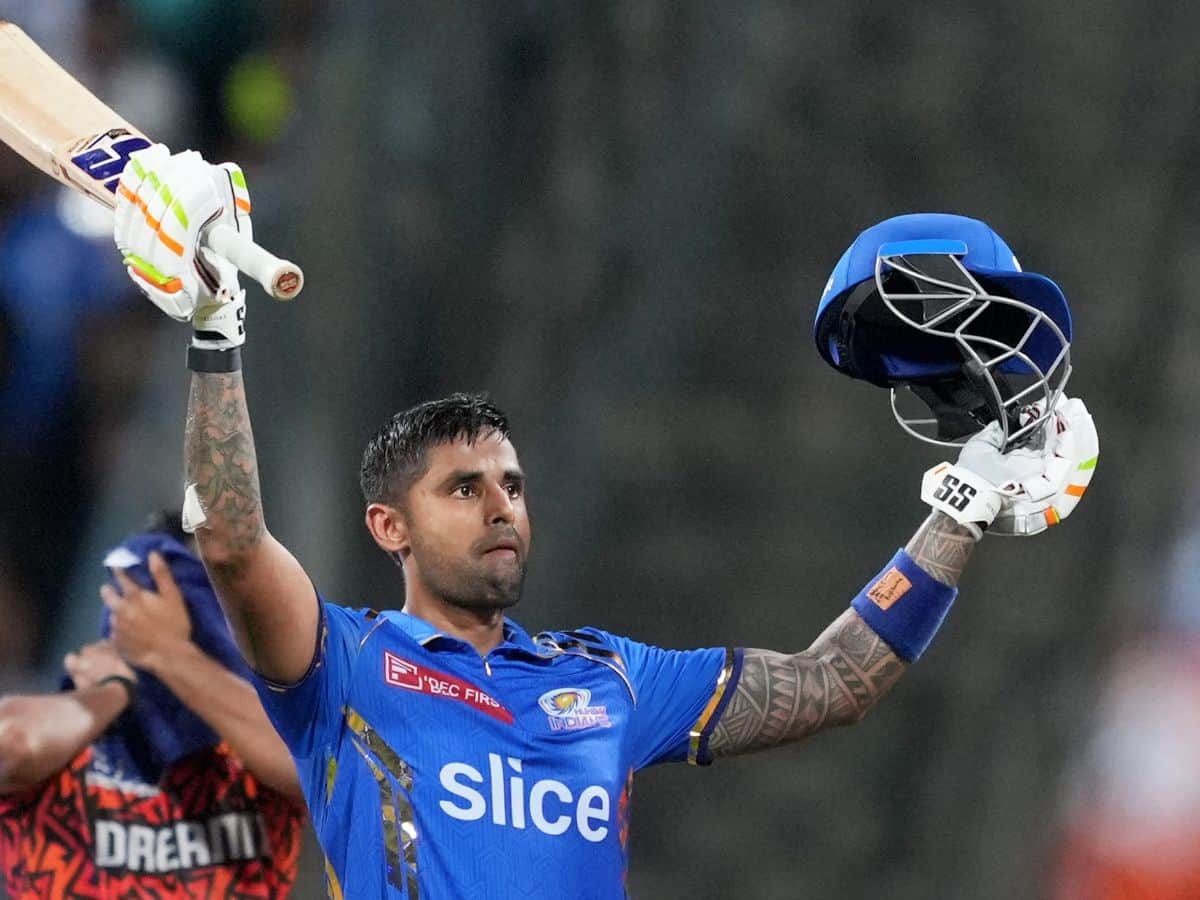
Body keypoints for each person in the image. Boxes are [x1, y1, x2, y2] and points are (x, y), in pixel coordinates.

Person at [110, 147, 1099, 898]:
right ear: (388, 527)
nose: (502, 505)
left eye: (512, 484)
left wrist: (965, 500)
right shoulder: (344, 666)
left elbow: (832, 682)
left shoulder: (607, 679)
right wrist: (213, 329)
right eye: (463, 489)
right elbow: (234, 540)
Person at [0, 513, 305, 898]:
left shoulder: (251, 744)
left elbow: (313, 764)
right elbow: (11, 745)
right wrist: (122, 686)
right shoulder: (73, 730)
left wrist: (167, 654)